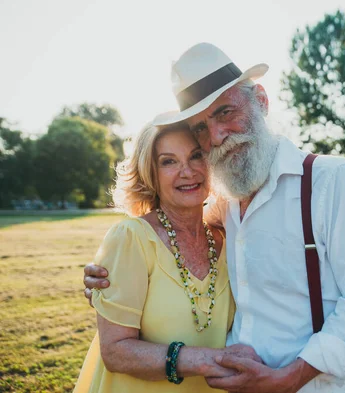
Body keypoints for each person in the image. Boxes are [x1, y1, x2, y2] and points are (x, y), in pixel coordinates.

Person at [84, 42, 345, 393]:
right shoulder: (224, 206)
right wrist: (109, 280)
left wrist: (286, 380)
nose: (216, 136)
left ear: (260, 99)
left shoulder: (329, 180)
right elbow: (161, 243)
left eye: (225, 112)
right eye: (200, 127)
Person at [74, 117, 260, 393]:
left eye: (196, 156)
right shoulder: (131, 238)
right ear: (150, 173)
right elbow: (115, 351)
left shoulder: (229, 236)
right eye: (168, 161)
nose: (187, 171)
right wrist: (202, 359)